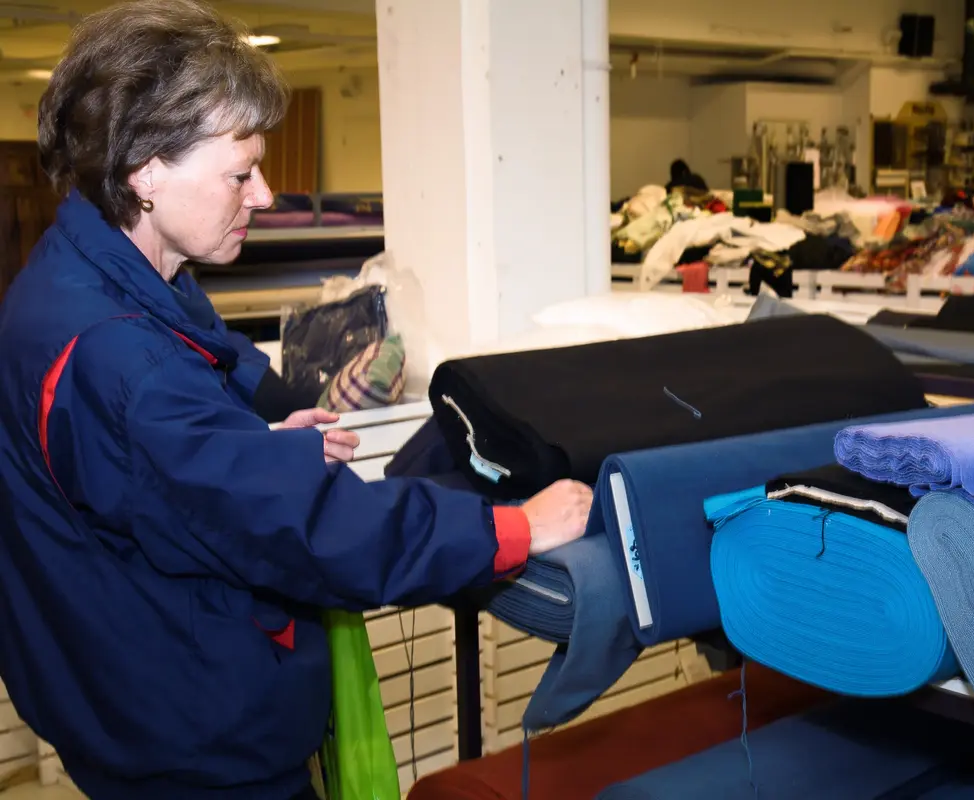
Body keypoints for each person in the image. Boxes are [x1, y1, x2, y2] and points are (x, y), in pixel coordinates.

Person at [0, 1, 593, 799]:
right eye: (240, 173)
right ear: (144, 169)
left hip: (121, 685)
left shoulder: (91, 270)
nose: (266, 194)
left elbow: (205, 361)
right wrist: (516, 527)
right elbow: (314, 530)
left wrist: (259, 430)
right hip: (191, 742)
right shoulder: (122, 363)